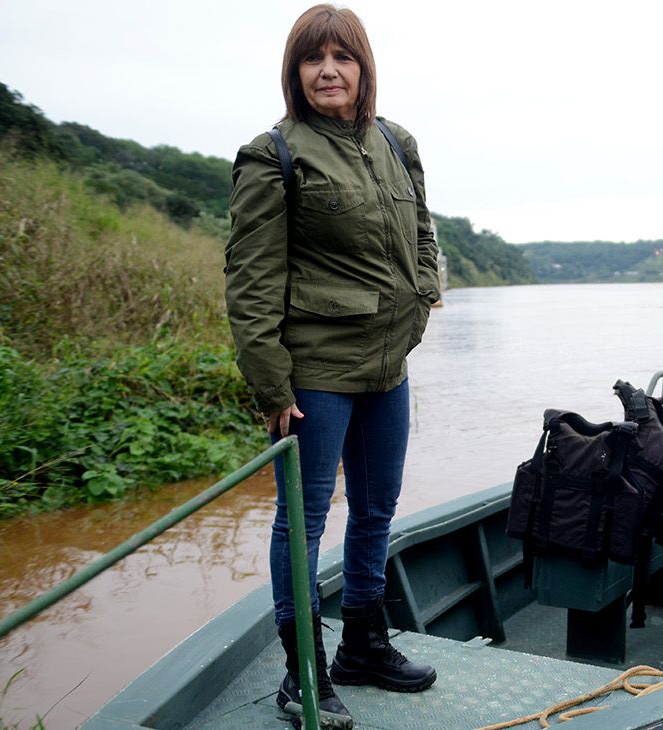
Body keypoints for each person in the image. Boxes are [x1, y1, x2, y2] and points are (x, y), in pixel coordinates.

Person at [224, 4, 440, 721]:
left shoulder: (395, 141)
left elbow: (422, 230)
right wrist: (270, 383)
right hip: (313, 367)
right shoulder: (273, 154)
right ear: (295, 73)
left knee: (376, 508)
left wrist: (426, 292)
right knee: (304, 520)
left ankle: (365, 646)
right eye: (313, 59)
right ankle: (303, 672)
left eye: (341, 57)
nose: (328, 71)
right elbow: (252, 279)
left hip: (388, 365)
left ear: (362, 67)